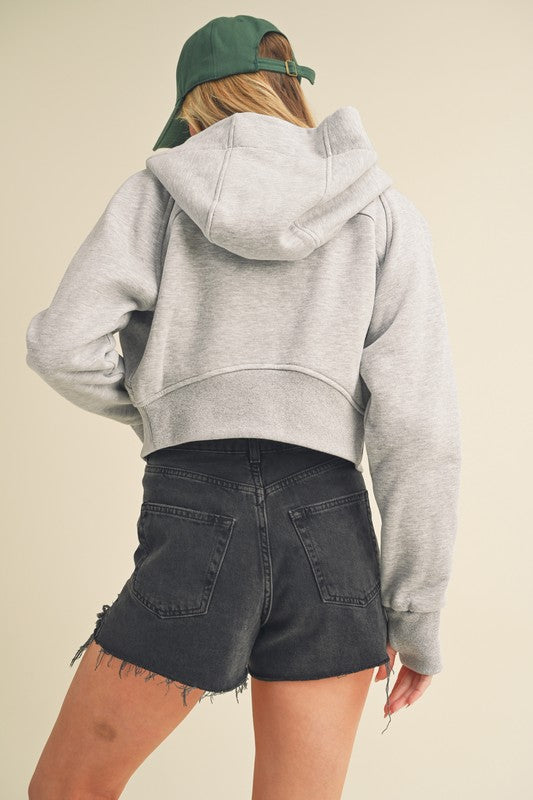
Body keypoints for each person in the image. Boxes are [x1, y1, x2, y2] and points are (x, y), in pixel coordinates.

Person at [25, 14, 462, 800]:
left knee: (68, 790)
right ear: (292, 92)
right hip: (331, 527)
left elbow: (63, 346)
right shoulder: (382, 211)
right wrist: (416, 618)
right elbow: (419, 430)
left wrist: (169, 411)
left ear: (192, 109)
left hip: (198, 505)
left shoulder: (156, 195)